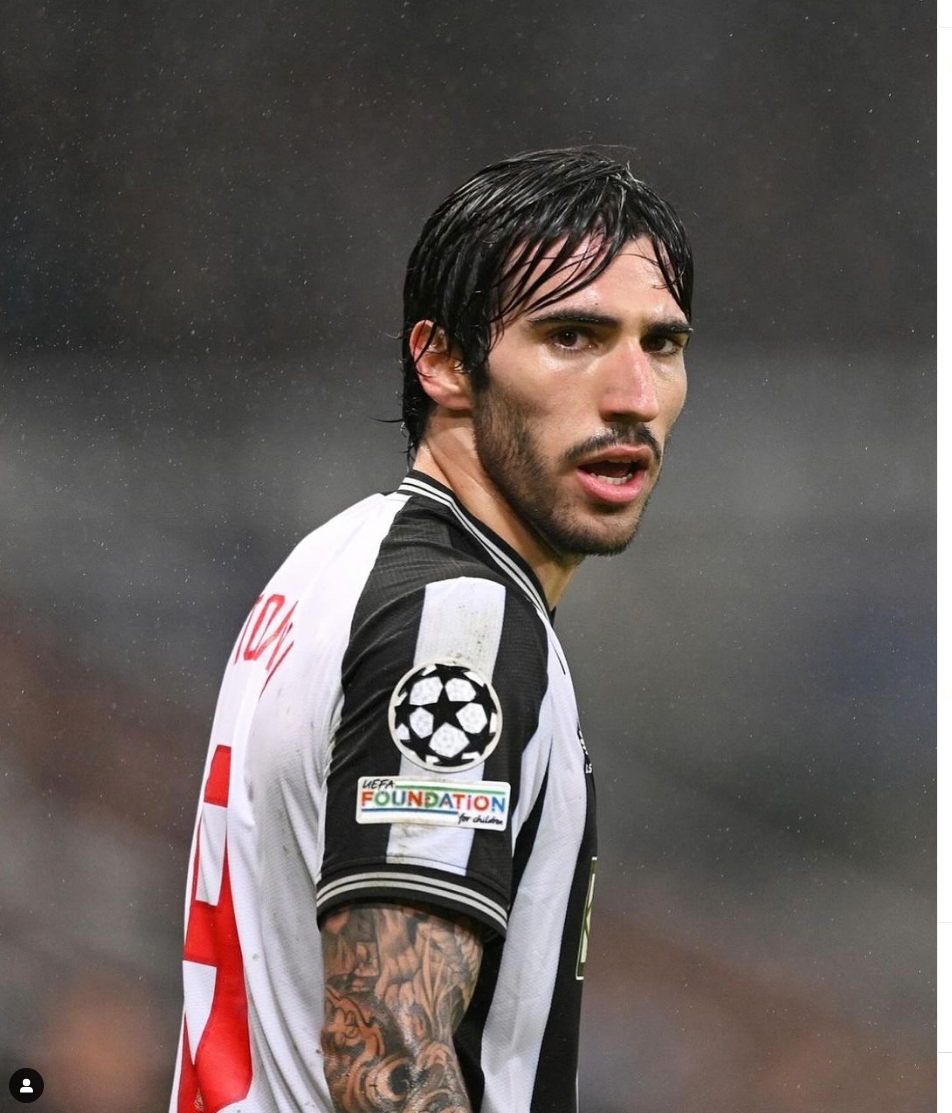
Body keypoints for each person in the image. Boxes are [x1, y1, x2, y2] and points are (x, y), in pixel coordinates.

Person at [170, 149, 694, 1113]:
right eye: (571, 336)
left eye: (659, 343)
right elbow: (389, 1052)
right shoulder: (457, 625)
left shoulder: (332, 559)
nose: (634, 394)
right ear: (443, 360)